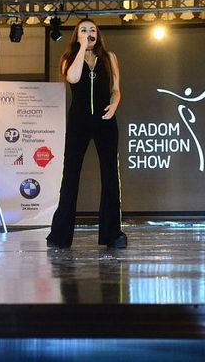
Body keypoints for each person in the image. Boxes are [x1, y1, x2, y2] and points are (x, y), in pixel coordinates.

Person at [47, 18, 126, 249]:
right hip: (79, 121)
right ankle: (60, 235)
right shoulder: (69, 58)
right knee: (71, 175)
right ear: (77, 35)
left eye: (92, 30)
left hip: (105, 120)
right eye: (83, 30)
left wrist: (114, 105)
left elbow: (116, 90)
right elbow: (73, 78)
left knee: (110, 175)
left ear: (98, 34)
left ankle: (113, 234)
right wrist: (82, 48)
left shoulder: (109, 58)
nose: (89, 33)